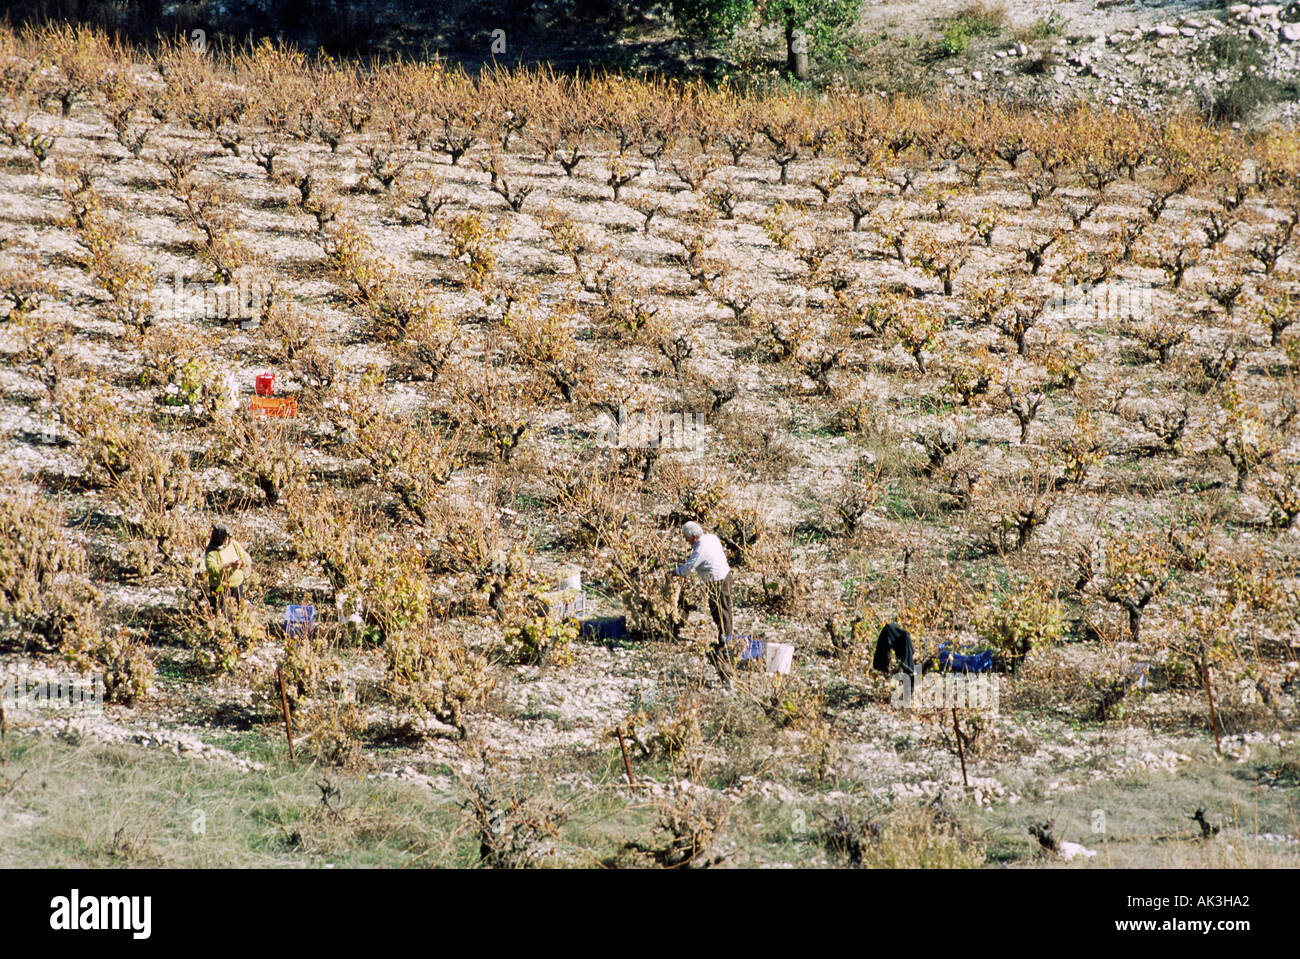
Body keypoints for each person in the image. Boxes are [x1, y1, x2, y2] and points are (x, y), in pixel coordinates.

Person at [670, 521, 736, 683]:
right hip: (724, 576)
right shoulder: (711, 538)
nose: (686, 541)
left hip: (717, 582)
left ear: (693, 537)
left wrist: (673, 572)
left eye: (686, 538)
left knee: (723, 613)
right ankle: (726, 639)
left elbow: (687, 570)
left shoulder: (700, 549)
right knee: (721, 612)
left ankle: (726, 646)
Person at [204, 525, 251, 614]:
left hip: (237, 586)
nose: (227, 541)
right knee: (221, 612)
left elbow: (246, 557)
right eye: (224, 539)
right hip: (220, 587)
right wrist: (228, 565)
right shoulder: (211, 552)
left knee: (239, 612)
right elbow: (211, 569)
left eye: (227, 538)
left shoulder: (233, 544)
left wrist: (241, 563)